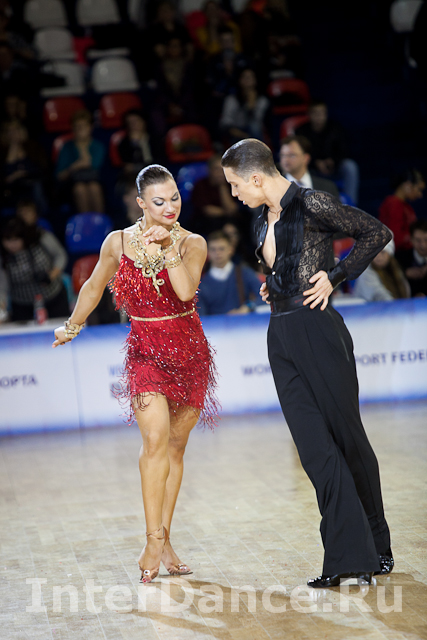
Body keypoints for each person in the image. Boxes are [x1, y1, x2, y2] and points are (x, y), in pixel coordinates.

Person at [221, 138, 393, 588]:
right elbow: (283, 265)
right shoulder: (260, 217)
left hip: (319, 329)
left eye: (236, 184)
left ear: (256, 177)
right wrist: (274, 285)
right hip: (280, 335)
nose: (234, 193)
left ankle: (376, 547)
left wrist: (335, 276)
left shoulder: (312, 203)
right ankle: (347, 556)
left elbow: (376, 233)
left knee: (347, 439)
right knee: (314, 448)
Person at [52, 164, 219, 584]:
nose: (169, 207)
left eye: (174, 198)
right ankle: (152, 540)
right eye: (159, 201)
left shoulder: (193, 243)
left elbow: (185, 291)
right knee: (155, 441)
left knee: (176, 449)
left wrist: (167, 247)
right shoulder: (118, 241)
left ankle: (166, 539)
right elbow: (94, 285)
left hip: (189, 355)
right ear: (141, 203)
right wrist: (71, 325)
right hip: (145, 353)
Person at [0, 217, 69, 322]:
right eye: (7, 240)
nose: (11, 245)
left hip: (53, 298)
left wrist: (52, 274)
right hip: (22, 306)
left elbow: (60, 255)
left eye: (16, 239)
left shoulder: (40, 237)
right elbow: (2, 285)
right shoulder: (3, 255)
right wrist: (1, 306)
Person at [296, 100, 360, 205]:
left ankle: (351, 206)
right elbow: (300, 154)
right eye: (316, 113)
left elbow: (344, 150)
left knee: (350, 166)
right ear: (309, 114)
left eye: (322, 113)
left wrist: (333, 161)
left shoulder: (335, 128)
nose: (319, 117)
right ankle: (309, 205)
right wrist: (315, 163)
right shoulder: (301, 131)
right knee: (300, 169)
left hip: (334, 167)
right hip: (312, 169)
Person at [197, 230, 262, 314]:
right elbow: (201, 315)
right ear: (207, 252)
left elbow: (264, 296)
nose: (217, 253)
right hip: (215, 323)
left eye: (221, 249)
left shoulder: (244, 273)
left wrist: (249, 307)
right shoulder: (201, 284)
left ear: (231, 249)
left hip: (242, 322)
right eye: (213, 249)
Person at [56, 109, 106, 214]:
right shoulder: (67, 147)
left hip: (95, 181)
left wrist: (82, 146)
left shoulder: (98, 146)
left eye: (83, 126)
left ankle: (100, 221)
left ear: (90, 127)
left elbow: (93, 165)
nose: (80, 130)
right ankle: (84, 222)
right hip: (71, 184)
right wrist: (74, 167)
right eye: (77, 127)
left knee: (94, 188)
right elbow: (59, 175)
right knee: (80, 189)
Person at [191, 153, 240, 236]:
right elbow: (208, 210)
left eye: (223, 170)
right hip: (206, 220)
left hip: (228, 219)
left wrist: (222, 186)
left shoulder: (232, 184)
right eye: (216, 169)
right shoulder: (200, 185)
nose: (220, 173)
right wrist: (227, 212)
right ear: (209, 170)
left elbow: (232, 208)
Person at [219, 67, 270, 145]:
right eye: (245, 77)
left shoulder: (263, 100)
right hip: (236, 134)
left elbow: (260, 123)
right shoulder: (231, 99)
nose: (247, 80)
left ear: (255, 80)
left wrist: (251, 107)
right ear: (240, 80)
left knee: (255, 127)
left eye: (250, 77)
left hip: (256, 136)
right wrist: (242, 135)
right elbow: (225, 123)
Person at [378, 169, 425, 252]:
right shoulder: (393, 204)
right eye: (419, 189)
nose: (420, 195)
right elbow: (395, 238)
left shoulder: (406, 206)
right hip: (397, 254)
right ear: (408, 185)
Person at [395, 220, 427, 297]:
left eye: (426, 240)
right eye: (418, 240)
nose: (423, 245)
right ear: (411, 240)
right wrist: (404, 273)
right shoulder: (400, 258)